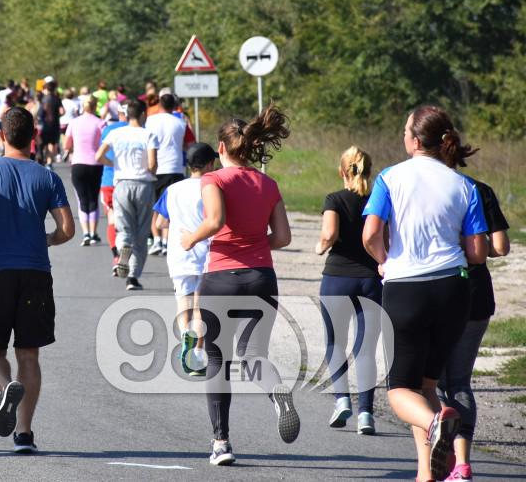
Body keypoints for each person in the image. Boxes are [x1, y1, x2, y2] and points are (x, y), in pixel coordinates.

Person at [362, 105, 489, 482]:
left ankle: (436, 421)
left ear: (415, 141)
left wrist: (384, 260)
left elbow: (370, 234)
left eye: (405, 131)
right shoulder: (464, 185)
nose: (402, 136)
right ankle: (426, 473)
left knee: (400, 390)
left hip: (407, 288)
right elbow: (478, 252)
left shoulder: (390, 177)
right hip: (455, 289)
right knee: (428, 386)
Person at [179, 105, 299, 465]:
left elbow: (214, 221)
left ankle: (221, 443)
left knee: (217, 358)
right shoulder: (268, 184)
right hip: (262, 277)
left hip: (222, 278)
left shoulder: (213, 180)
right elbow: (283, 237)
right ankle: (275, 390)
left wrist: (190, 239)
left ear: (220, 148)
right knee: (252, 354)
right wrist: (255, 243)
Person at [0, 106, 75, 453]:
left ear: (1, 136)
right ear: (34, 137)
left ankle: (4, 387)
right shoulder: (47, 177)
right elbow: (67, 229)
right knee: (29, 354)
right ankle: (24, 433)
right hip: (35, 273)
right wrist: (48, 239)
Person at [437, 170, 510, 482]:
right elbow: (501, 246)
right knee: (461, 382)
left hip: (437, 287)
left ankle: (438, 451)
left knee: (434, 382)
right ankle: (463, 464)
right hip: (477, 293)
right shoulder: (482, 189)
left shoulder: (426, 185)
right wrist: (475, 246)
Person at [313, 146, 382, 435]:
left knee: (335, 343)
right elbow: (382, 237)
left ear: (342, 171)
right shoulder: (378, 199)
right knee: (365, 348)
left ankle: (342, 399)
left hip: (338, 278)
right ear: (368, 171)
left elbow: (329, 233)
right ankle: (366, 413)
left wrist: (320, 246)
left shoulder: (335, 199)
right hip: (369, 280)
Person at [153, 142, 217, 377]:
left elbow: (160, 223)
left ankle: (184, 337)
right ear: (210, 164)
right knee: (200, 304)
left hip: (179, 253)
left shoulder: (173, 189)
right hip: (205, 252)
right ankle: (198, 352)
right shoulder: (211, 187)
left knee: (183, 299)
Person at [95, 100, 157, 291]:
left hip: (121, 185)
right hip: (143, 185)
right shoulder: (148, 134)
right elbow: (153, 164)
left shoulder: (115, 133)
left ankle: (123, 249)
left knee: (124, 229)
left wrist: (114, 165)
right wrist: (147, 171)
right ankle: (133, 277)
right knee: (141, 233)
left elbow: (98, 157)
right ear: (143, 115)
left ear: (127, 114)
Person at [146, 93, 188, 257]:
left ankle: (156, 239)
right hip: (176, 168)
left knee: (154, 206)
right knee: (169, 208)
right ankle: (165, 242)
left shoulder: (150, 121)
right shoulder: (180, 122)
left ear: (159, 105)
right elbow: (187, 144)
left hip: (156, 168)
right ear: (174, 106)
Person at [64, 97, 105, 246]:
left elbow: (66, 144)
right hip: (95, 163)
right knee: (93, 198)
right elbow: (104, 143)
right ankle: (94, 234)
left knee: (82, 199)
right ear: (95, 107)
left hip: (78, 163)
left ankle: (86, 233)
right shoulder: (100, 123)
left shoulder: (74, 123)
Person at [98, 108, 128, 275]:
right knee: (127, 221)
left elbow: (99, 153)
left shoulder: (108, 129)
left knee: (112, 219)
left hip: (109, 181)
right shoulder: (138, 129)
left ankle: (116, 257)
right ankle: (125, 257)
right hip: (128, 181)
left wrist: (112, 165)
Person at [36, 80, 63, 168]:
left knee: (43, 143)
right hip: (55, 125)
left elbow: (40, 113)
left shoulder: (43, 99)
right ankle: (49, 162)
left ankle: (42, 157)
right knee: (52, 143)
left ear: (46, 89)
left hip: (44, 125)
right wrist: (56, 115)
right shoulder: (57, 98)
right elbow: (62, 111)